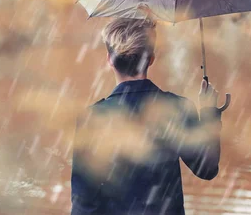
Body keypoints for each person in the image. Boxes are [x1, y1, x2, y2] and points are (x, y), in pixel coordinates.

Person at [71, 17, 223, 215]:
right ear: (151, 58)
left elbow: (84, 203)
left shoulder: (92, 118)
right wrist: (209, 113)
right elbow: (207, 169)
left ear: (109, 60)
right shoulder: (176, 108)